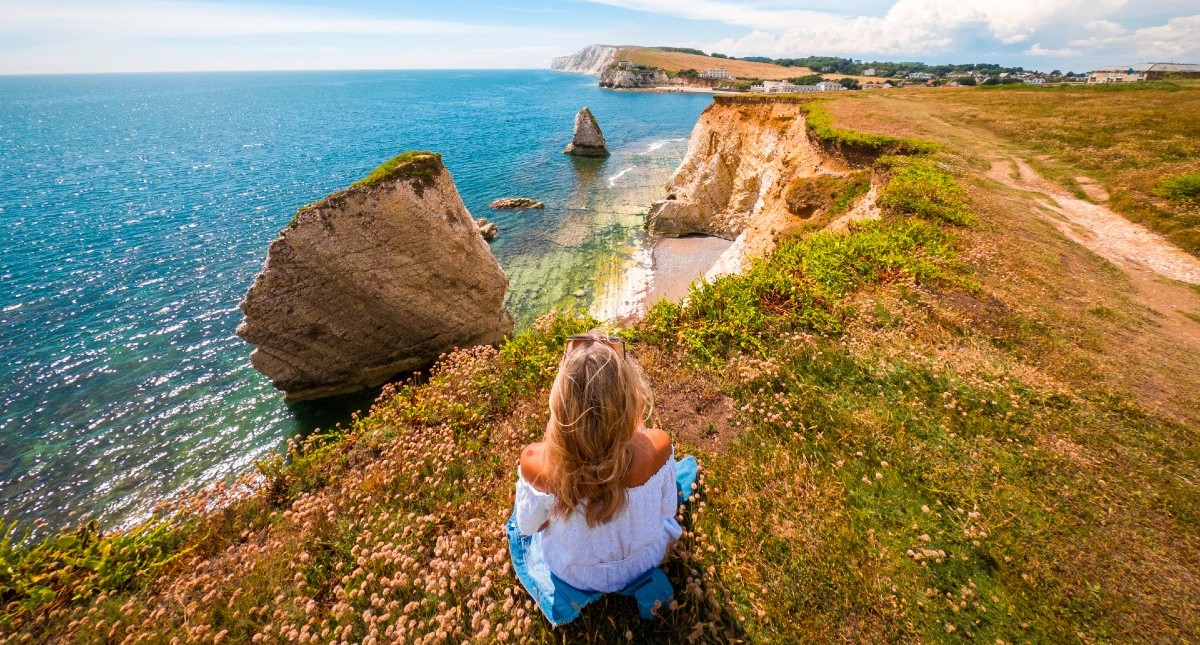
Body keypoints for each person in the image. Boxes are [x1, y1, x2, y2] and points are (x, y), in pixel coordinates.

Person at [514, 330, 682, 594]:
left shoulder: (537, 463)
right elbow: (667, 510)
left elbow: (528, 526)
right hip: (645, 560)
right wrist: (638, 429)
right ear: (628, 400)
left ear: (561, 406)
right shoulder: (657, 446)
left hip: (574, 572)